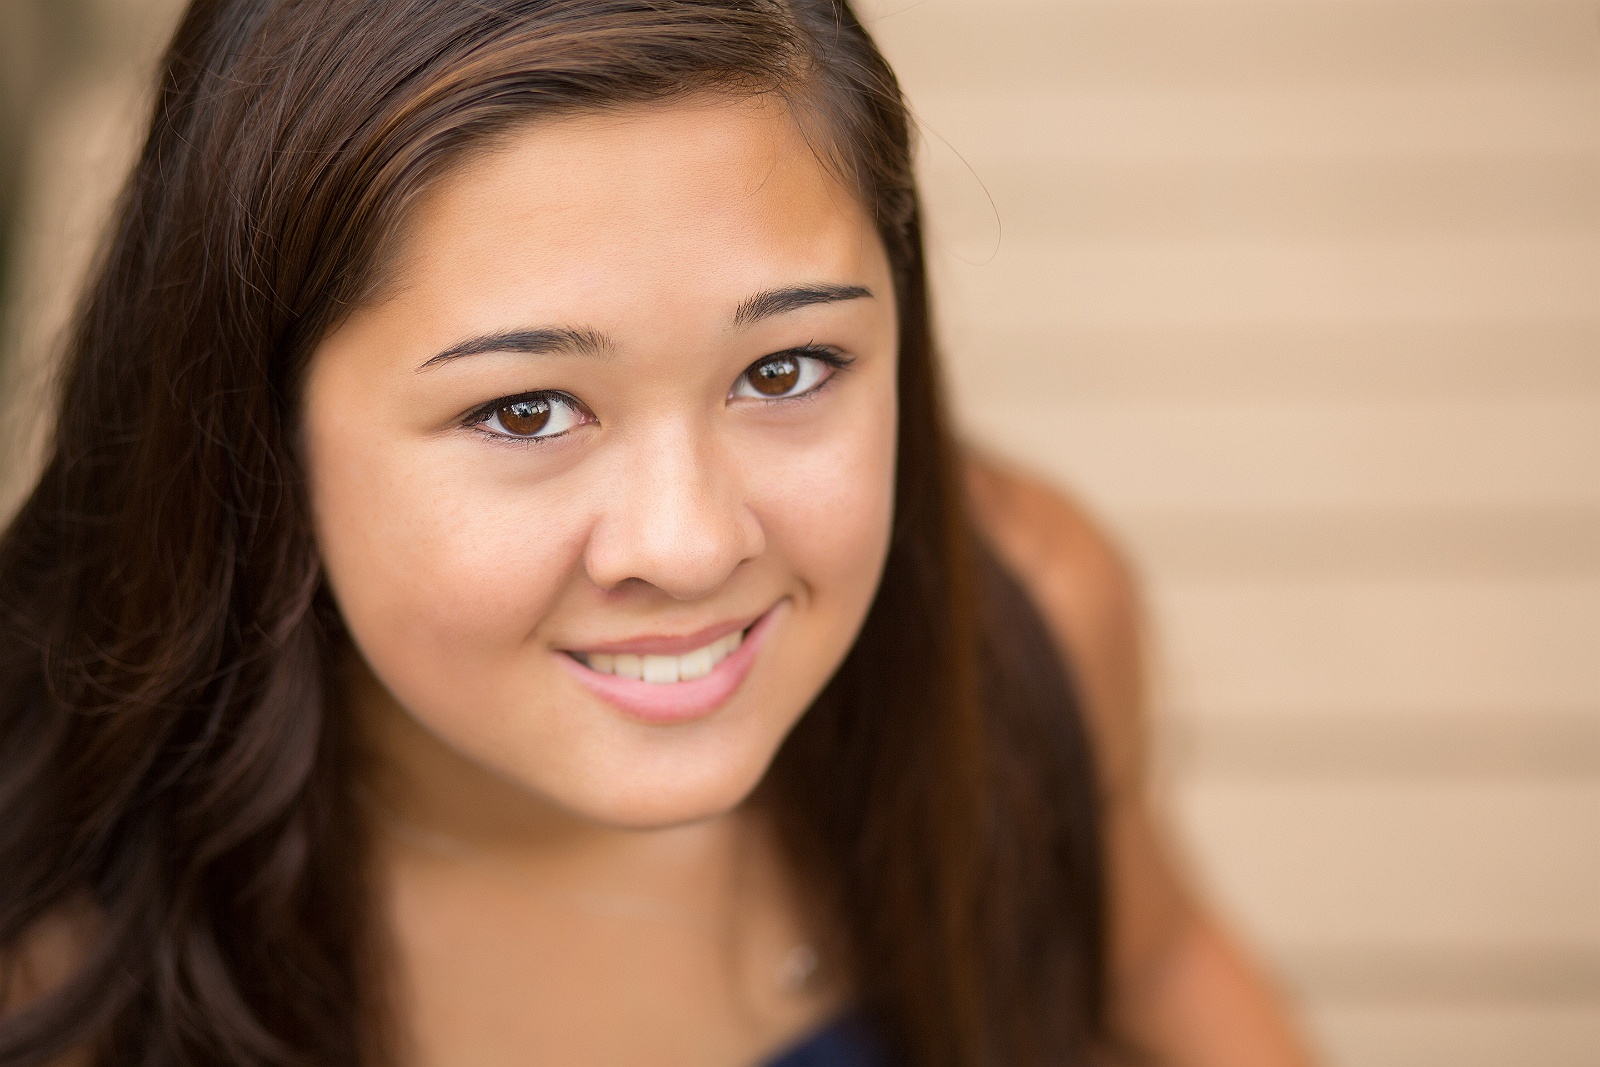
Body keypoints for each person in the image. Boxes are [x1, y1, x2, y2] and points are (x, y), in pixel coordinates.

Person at [0, 2, 1315, 1064]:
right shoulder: (63, 946)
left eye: (787, 370)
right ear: (253, 425)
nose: (687, 547)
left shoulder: (1020, 617)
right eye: (525, 409)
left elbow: (1158, 966)